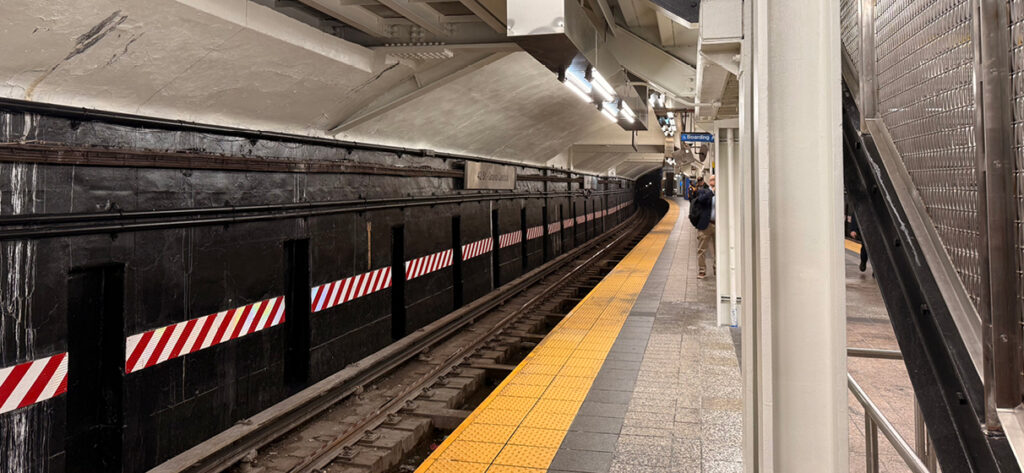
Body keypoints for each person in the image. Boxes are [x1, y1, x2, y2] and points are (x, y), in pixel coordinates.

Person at [690, 175, 716, 278]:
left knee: (718, 249)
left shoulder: (723, 191)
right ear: (708, 181)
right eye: (711, 179)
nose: (713, 181)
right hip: (706, 224)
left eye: (715, 179)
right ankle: (702, 270)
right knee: (702, 249)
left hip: (718, 225)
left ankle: (717, 269)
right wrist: (712, 191)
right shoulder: (704, 191)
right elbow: (701, 200)